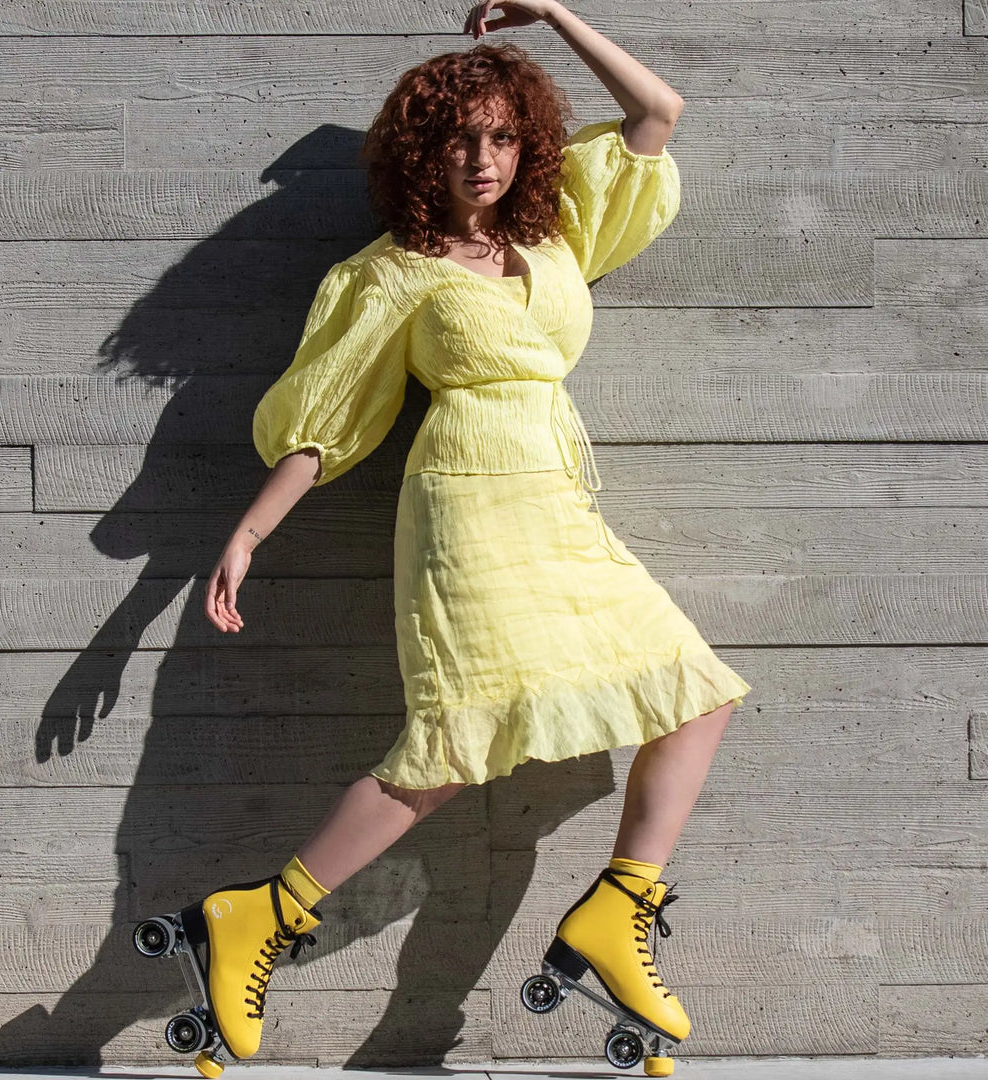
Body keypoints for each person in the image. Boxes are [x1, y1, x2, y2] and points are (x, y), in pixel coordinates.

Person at [186, 2, 752, 1076]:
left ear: (525, 142)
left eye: (500, 135)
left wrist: (555, 11)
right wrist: (251, 532)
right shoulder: (392, 272)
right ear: (422, 153)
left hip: (561, 504)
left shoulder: (557, 236)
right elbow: (328, 416)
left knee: (700, 692)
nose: (483, 157)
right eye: (459, 139)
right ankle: (258, 916)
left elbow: (656, 112)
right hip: (468, 507)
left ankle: (617, 911)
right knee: (456, 739)